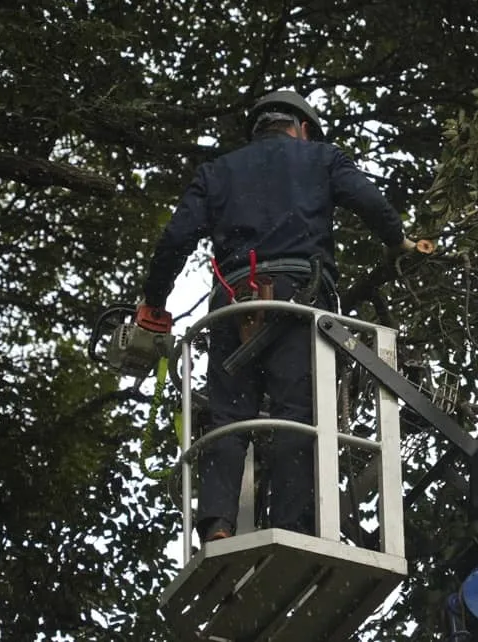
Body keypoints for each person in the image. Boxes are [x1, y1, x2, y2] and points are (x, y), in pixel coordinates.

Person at [137, 90, 416, 543]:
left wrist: (154, 299)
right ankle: (293, 528)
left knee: (228, 416)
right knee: (298, 413)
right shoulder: (320, 159)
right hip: (296, 300)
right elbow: (371, 203)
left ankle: (217, 525)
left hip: (235, 304)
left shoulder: (217, 171)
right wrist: (397, 240)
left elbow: (175, 238)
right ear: (303, 129)